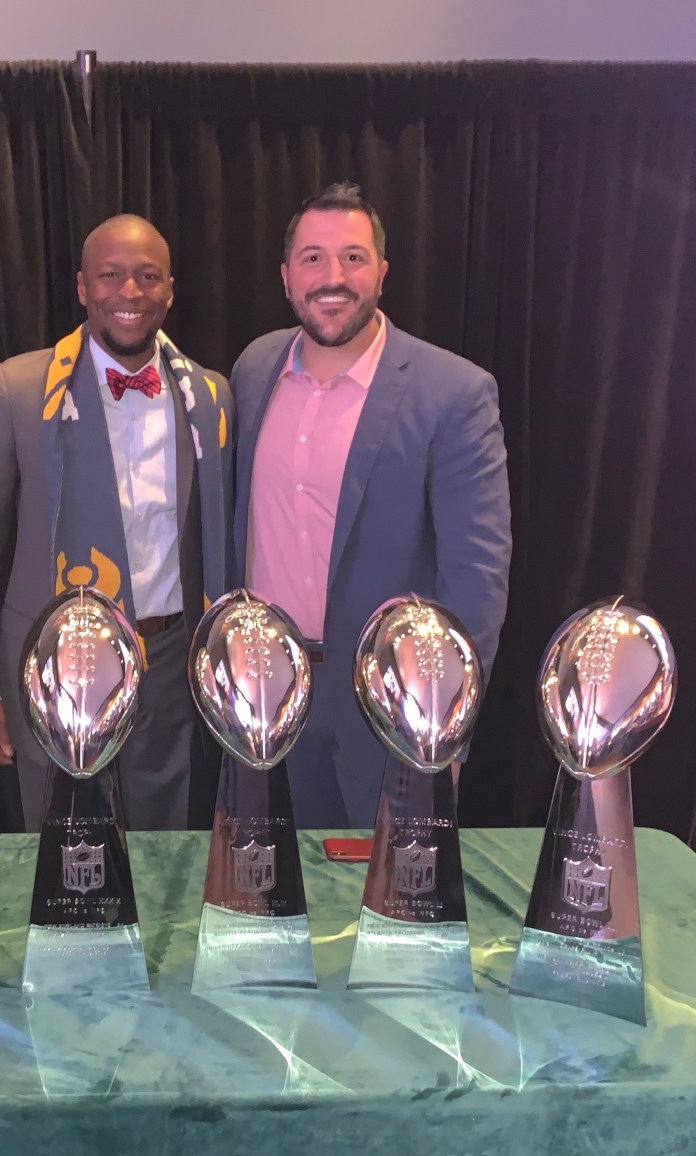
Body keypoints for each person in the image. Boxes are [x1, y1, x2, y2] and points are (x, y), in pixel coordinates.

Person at [231, 182, 512, 827]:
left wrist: (446, 722)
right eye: (312, 259)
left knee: (388, 910)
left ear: (383, 271)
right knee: (268, 901)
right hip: (260, 692)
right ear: (284, 276)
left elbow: (477, 574)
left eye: (353, 258)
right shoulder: (253, 370)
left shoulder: (454, 392)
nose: (333, 277)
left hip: (391, 703)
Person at [0, 214, 233, 831]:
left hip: (172, 664)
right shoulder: (19, 390)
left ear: (171, 289)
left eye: (147, 277)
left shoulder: (211, 396)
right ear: (82, 287)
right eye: (111, 275)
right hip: (53, 666)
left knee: (165, 852)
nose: (130, 293)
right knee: (66, 853)